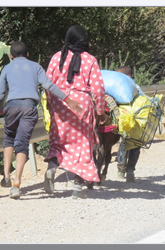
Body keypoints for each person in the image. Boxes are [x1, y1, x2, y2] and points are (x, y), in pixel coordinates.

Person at [0, 41, 82, 199]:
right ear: (27, 54)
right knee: (22, 142)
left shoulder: (6, 68)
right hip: (29, 107)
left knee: (9, 138)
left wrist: (0, 108)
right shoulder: (35, 67)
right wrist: (67, 99)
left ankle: (6, 175)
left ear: (10, 56)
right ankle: (17, 183)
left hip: (11, 107)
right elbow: (49, 85)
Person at [42, 25, 106, 199]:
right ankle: (78, 187)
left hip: (60, 103)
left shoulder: (56, 58)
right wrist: (100, 111)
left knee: (59, 140)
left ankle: (52, 169)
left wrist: (50, 103)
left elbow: (47, 83)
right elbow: (99, 89)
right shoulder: (90, 60)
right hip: (82, 104)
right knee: (83, 144)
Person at [116, 66, 142, 182]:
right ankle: (130, 170)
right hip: (136, 122)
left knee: (124, 144)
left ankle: (121, 170)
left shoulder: (122, 88)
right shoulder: (137, 88)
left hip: (125, 121)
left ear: (128, 77)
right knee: (135, 144)